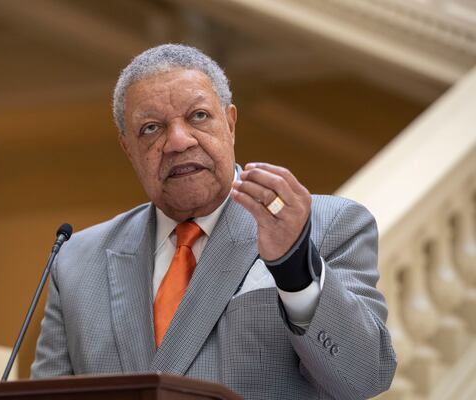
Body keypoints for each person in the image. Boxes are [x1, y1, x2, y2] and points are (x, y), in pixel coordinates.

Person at [31, 44, 396, 399]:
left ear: (230, 123)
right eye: (151, 128)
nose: (177, 141)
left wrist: (294, 268)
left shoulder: (327, 224)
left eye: (198, 116)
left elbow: (364, 378)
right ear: (129, 149)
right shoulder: (76, 260)